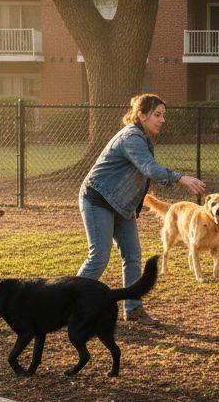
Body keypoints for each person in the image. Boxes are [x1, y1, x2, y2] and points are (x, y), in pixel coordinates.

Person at [79, 93, 205, 325]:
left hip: (121, 204)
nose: (162, 120)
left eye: (163, 115)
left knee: (133, 256)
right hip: (98, 198)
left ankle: (134, 309)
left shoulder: (144, 138)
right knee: (99, 257)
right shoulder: (131, 137)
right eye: (157, 115)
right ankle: (67, 302)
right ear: (141, 115)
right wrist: (181, 178)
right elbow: (149, 168)